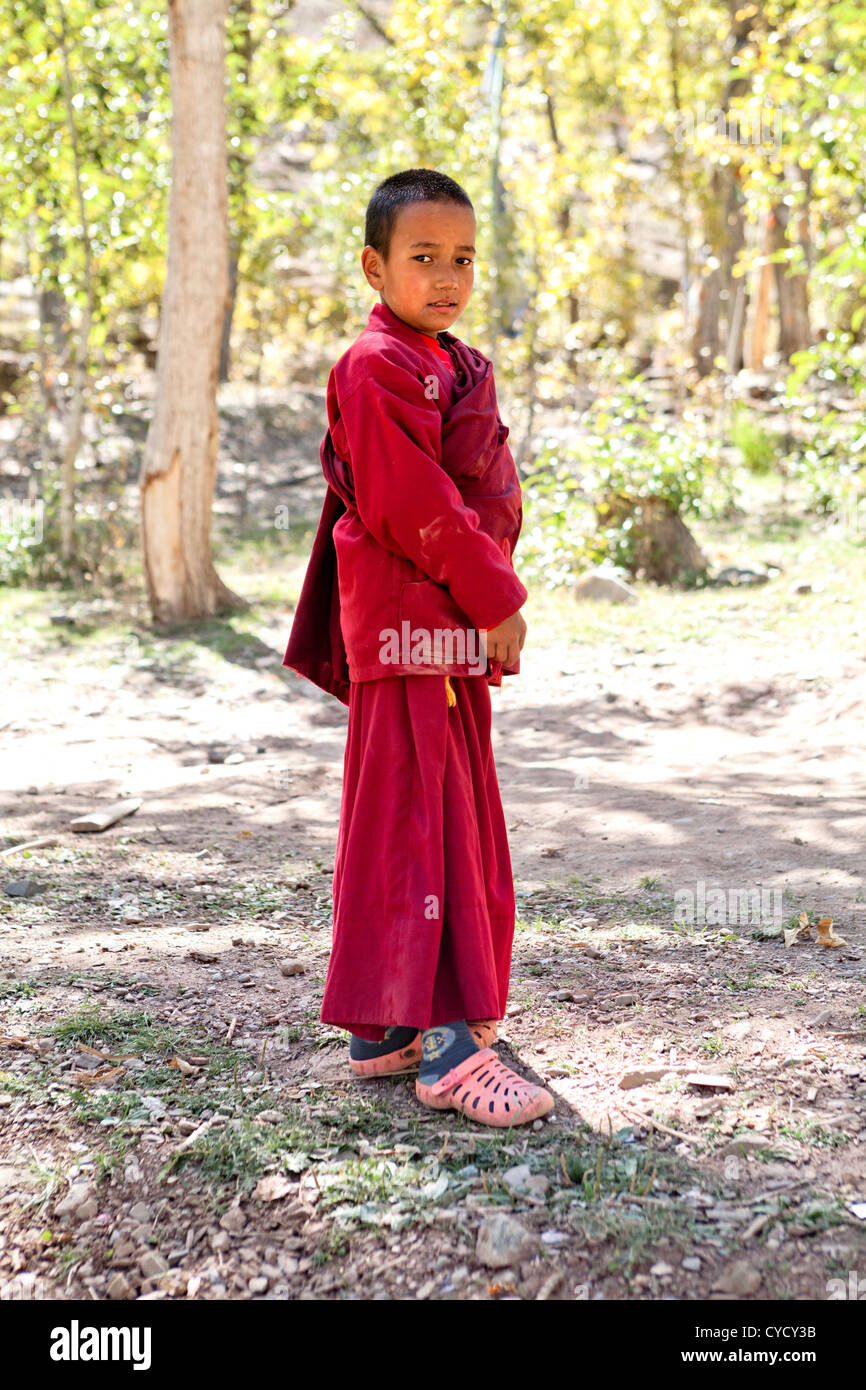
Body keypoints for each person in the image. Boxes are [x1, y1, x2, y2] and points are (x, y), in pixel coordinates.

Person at [283, 168, 553, 1127]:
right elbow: (412, 501)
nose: (447, 276)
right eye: (424, 257)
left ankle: (382, 1030)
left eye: (464, 259)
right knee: (418, 819)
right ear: (375, 265)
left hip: (437, 627)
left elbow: (480, 475)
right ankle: (441, 1046)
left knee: (439, 803)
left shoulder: (451, 361)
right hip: (408, 622)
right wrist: (493, 593)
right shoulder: (375, 366)